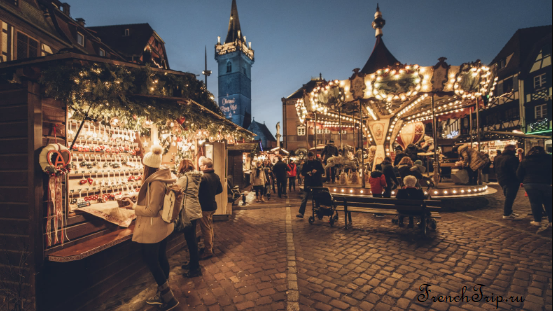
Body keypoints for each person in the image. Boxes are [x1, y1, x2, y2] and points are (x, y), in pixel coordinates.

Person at [123, 145, 179, 310]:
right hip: (162, 226)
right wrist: (137, 197)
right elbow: (155, 201)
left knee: (151, 260)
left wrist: (134, 206)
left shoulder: (155, 182)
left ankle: (169, 299)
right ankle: (162, 294)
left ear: (147, 166)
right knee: (161, 258)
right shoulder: (164, 177)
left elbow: (152, 210)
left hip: (153, 228)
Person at [176, 159, 203, 278]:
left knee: (191, 241)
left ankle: (195, 269)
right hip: (194, 209)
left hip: (188, 211)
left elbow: (176, 191)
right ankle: (193, 263)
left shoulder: (185, 178)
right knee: (192, 240)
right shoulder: (196, 178)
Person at [516, 146, 552, 227]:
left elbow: (519, 173)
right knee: (549, 202)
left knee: (535, 202)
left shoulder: (525, 160)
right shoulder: (549, 159)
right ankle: (551, 221)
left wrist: (523, 180)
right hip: (546, 183)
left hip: (530, 183)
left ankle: (537, 220)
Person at [198, 157, 223, 260]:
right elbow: (220, 190)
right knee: (210, 227)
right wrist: (211, 194)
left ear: (205, 166)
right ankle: (210, 247)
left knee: (206, 229)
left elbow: (197, 192)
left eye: (200, 166)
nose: (199, 168)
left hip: (204, 207)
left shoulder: (203, 177)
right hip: (212, 205)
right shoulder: (216, 176)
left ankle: (208, 251)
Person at [494, 145, 521, 220]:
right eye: (514, 148)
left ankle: (509, 211)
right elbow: (516, 170)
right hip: (511, 180)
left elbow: (495, 168)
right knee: (510, 197)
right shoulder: (512, 158)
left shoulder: (498, 157)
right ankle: (507, 213)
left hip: (501, 179)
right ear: (511, 149)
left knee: (508, 196)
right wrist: (519, 179)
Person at [297, 152, 324, 218]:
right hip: (308, 183)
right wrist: (308, 173)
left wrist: (316, 171)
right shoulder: (306, 164)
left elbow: (322, 171)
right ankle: (301, 213)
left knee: (317, 198)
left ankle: (318, 212)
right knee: (304, 198)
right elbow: (303, 172)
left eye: (311, 156)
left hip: (317, 183)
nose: (310, 158)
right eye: (309, 157)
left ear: (313, 156)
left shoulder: (317, 163)